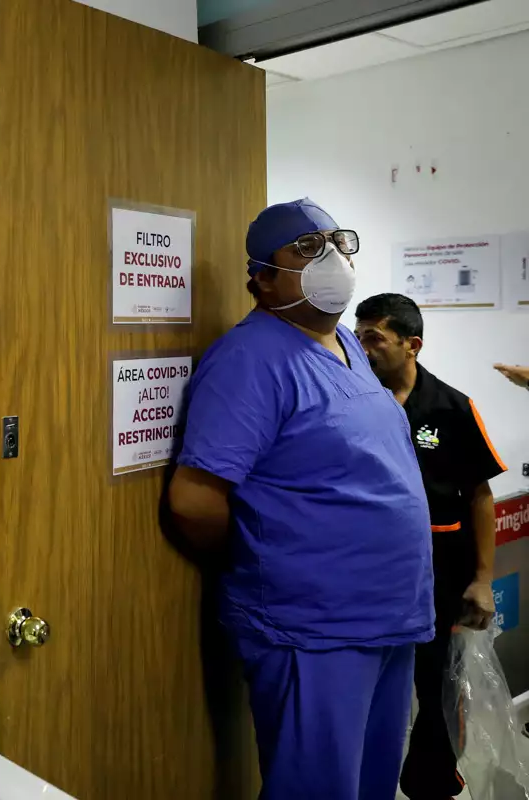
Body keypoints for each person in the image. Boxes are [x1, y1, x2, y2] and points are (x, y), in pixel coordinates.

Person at [167, 199, 434, 800]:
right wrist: (268, 559)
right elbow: (195, 500)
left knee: (371, 785)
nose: (332, 257)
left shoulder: (346, 345)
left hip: (388, 616)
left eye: (338, 242)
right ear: (263, 278)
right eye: (309, 248)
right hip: (314, 627)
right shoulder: (248, 360)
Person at [355, 293, 506, 800]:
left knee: (439, 686)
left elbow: (480, 495)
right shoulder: (353, 401)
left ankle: (431, 784)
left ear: (411, 344)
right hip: (368, 572)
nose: (362, 347)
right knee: (370, 683)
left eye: (374, 337)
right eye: (357, 336)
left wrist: (482, 579)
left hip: (439, 573)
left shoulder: (451, 406)